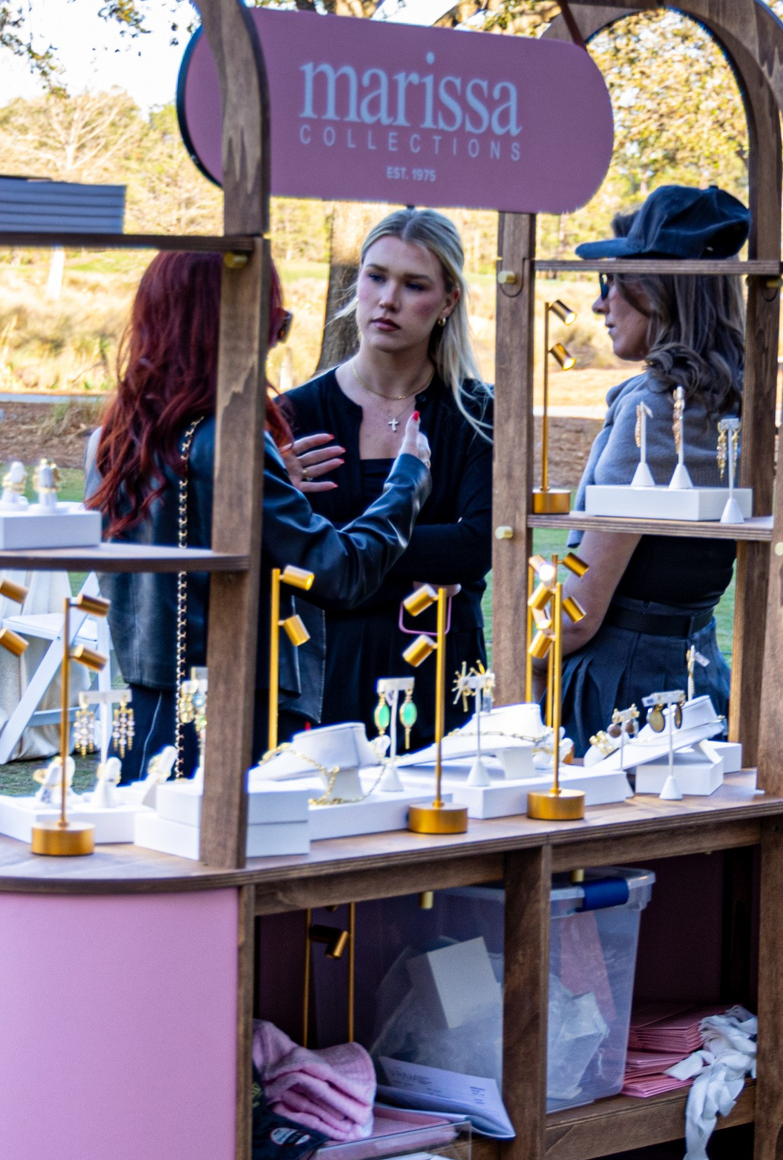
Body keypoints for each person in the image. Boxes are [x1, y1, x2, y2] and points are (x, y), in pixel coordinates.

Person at [85, 250, 432, 779]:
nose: (274, 341)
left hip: (143, 713)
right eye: (276, 322)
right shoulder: (227, 438)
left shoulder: (113, 441)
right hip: (231, 723)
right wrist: (406, 480)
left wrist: (264, 487)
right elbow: (337, 571)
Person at [280, 208, 493, 735]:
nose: (387, 299)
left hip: (442, 664)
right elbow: (285, 563)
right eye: (376, 276)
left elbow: (478, 545)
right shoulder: (293, 415)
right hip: (321, 667)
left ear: (448, 301)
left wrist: (340, 555)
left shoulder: (478, 414)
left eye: (413, 284)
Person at [554, 185, 753, 745]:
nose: (600, 303)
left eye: (612, 281)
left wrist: (521, 663)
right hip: (697, 674)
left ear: (657, 290)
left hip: (622, 692)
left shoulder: (656, 406)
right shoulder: (735, 397)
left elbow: (579, 611)